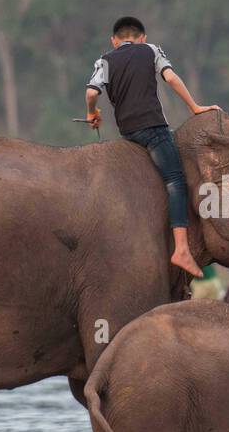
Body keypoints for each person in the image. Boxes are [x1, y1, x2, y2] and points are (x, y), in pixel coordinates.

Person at [85, 15, 219, 277]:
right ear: (142, 38)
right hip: (153, 129)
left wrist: (92, 114)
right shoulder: (151, 50)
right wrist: (194, 108)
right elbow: (171, 78)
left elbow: (91, 92)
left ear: (114, 41)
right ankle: (181, 248)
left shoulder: (105, 59)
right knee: (175, 180)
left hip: (128, 132)